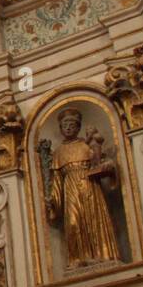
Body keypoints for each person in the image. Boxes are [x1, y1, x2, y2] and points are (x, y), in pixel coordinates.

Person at [44, 107, 120, 269]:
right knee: (73, 223)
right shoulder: (58, 153)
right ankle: (78, 258)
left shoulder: (87, 145)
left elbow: (102, 162)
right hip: (70, 187)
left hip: (89, 185)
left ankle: (101, 255)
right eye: (65, 124)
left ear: (78, 127)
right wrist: (53, 201)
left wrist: (108, 166)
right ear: (60, 128)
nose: (69, 127)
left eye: (72, 124)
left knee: (93, 219)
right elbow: (56, 181)